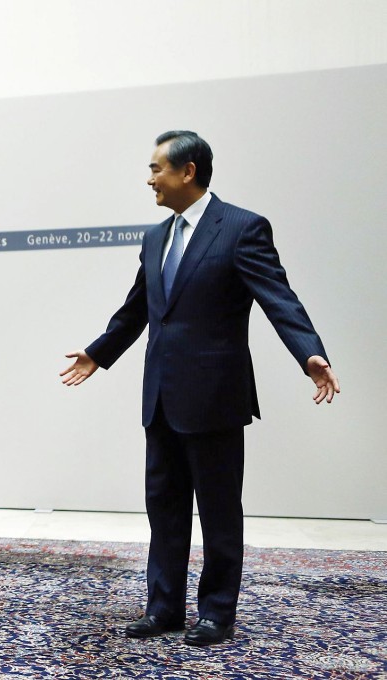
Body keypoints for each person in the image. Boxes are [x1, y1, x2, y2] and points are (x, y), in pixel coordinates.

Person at [60, 130, 340, 647]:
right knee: (163, 508)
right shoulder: (154, 237)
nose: (149, 180)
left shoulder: (241, 228)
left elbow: (279, 297)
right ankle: (162, 608)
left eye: (156, 169)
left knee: (217, 510)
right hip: (161, 397)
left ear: (188, 171)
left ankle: (216, 613)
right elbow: (138, 308)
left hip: (215, 397)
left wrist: (309, 352)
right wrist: (99, 354)